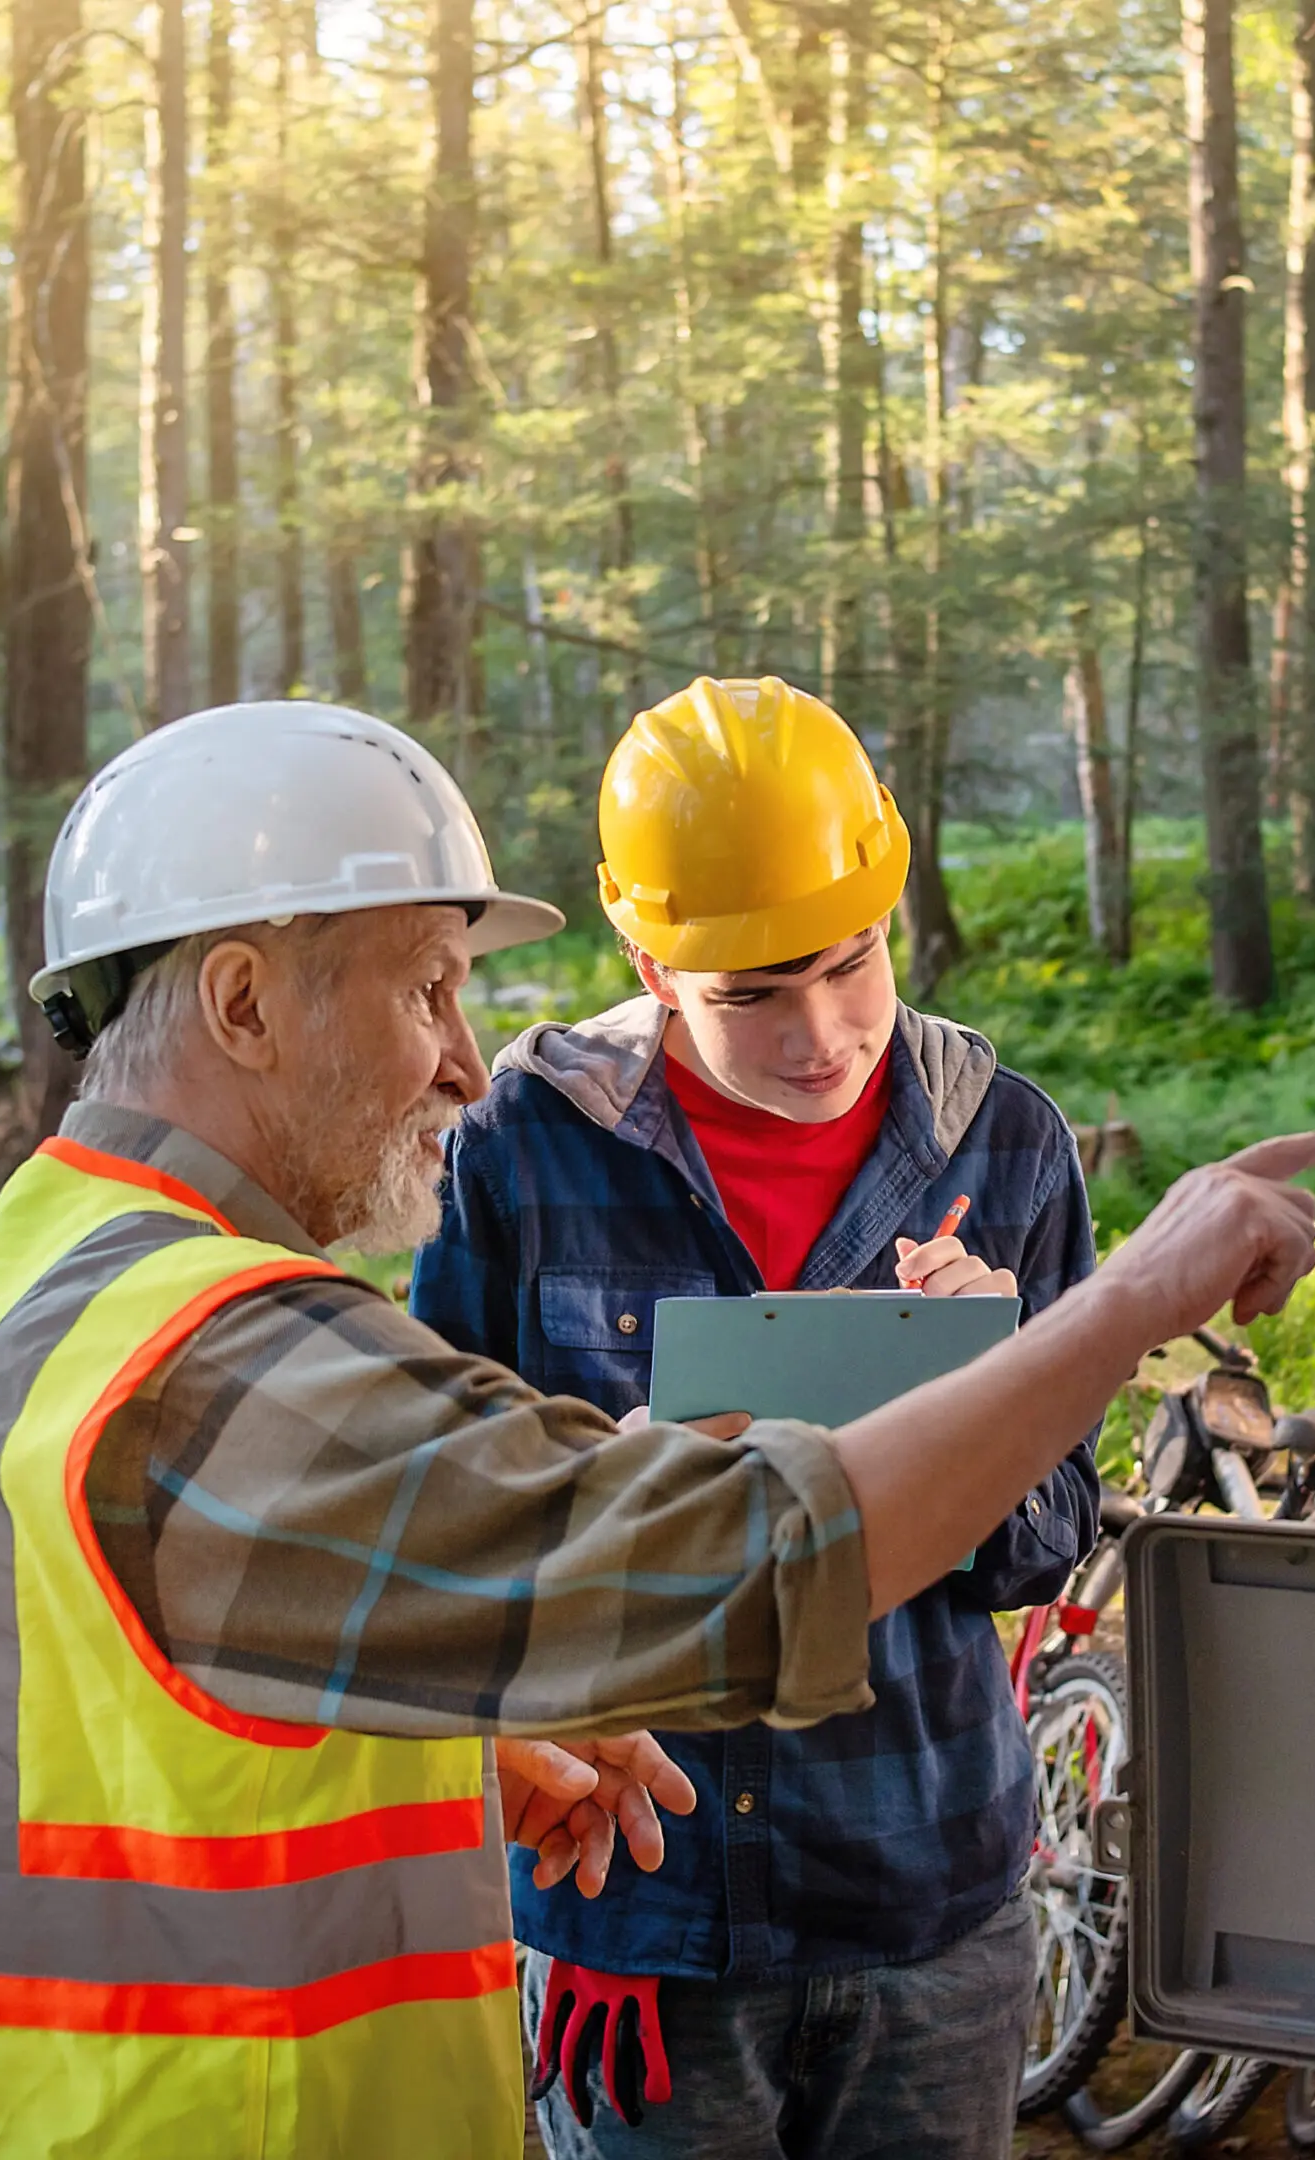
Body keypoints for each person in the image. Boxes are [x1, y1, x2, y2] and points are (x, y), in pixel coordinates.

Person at [0, 699, 1315, 2160]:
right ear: (240, 1002)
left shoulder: (29, 1285)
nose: (466, 1059)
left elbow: (151, 1749)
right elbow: (745, 1559)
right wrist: (1134, 1297)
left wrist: (455, 1765)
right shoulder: (223, 1359)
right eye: (426, 988)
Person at [408, 677, 1097, 2160]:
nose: (822, 1035)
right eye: (751, 995)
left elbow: (1045, 1554)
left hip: (926, 1906)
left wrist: (993, 1383)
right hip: (641, 1918)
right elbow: (440, 1535)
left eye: (853, 966)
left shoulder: (1006, 1141)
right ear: (648, 958)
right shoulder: (522, 1148)